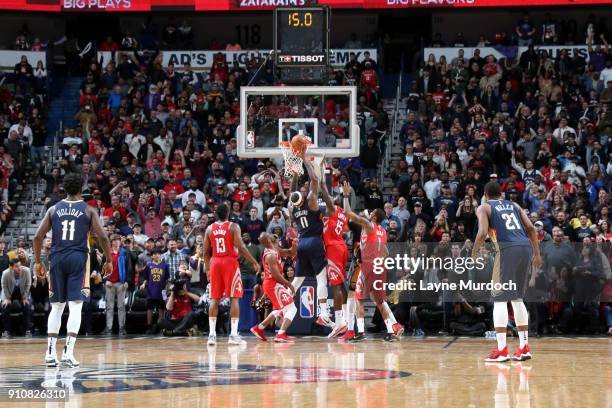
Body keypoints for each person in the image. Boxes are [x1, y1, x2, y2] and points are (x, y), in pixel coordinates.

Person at [33, 172, 113, 368]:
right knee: (76, 305)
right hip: (78, 258)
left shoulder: (53, 209)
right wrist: (108, 259)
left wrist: (37, 262)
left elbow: (37, 237)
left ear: (64, 189)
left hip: (57, 258)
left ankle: (50, 354)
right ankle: (68, 353)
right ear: (81, 190)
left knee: (57, 306)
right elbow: (102, 237)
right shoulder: (89, 210)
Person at [472, 181, 541, 362]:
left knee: (499, 299)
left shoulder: (484, 207)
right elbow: (532, 228)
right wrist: (537, 255)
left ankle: (502, 349)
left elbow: (482, 233)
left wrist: (473, 253)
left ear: (485, 194)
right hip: (525, 248)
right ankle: (524, 347)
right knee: (517, 298)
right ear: (501, 194)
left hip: (507, 250)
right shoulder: (514, 205)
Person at [341, 182, 404, 342]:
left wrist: (346, 194)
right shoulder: (382, 231)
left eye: (372, 212)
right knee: (378, 301)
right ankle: (391, 330)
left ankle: (360, 332)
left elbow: (348, 212)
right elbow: (386, 251)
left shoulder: (368, 225)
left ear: (374, 217)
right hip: (379, 267)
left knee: (358, 298)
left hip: (368, 266)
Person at [203, 202, 260, 346]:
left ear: (216, 214)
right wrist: (254, 261)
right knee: (234, 298)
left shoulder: (209, 229)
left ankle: (211, 335)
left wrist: (207, 269)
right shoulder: (233, 226)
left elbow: (205, 252)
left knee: (214, 299)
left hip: (215, 262)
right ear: (228, 213)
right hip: (229, 262)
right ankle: (233, 335)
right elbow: (240, 246)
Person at [288, 157, 332, 327]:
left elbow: (292, 193)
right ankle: (323, 313)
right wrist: (305, 160)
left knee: (297, 281)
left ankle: (281, 306)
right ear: (303, 196)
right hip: (314, 242)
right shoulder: (312, 202)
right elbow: (314, 179)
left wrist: (294, 174)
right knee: (322, 280)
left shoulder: (292, 208)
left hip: (301, 243)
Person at [250, 232, 297, 342]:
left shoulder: (275, 248)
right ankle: (281, 334)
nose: (272, 234)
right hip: (272, 283)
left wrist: (294, 244)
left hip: (273, 283)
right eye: (269, 234)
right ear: (269, 240)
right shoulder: (270, 255)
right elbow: (276, 275)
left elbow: (290, 252)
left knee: (280, 308)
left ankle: (259, 328)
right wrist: (289, 284)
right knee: (292, 308)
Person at [319, 167, 350, 338]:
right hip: (342, 246)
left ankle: (339, 322)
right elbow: (346, 217)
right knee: (341, 285)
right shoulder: (342, 214)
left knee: (335, 286)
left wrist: (322, 178)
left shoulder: (332, 210)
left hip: (334, 249)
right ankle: (343, 318)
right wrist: (345, 196)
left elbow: (325, 194)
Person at [139, 249, 170, 334]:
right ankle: (149, 327)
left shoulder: (165, 266)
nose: (156, 255)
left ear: (160, 255)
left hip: (161, 290)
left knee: (161, 310)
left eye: (158, 254)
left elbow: (167, 279)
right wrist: (143, 284)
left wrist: (168, 288)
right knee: (150, 309)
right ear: (152, 256)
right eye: (155, 254)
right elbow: (146, 278)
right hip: (151, 290)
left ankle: (161, 327)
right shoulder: (149, 266)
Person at [1, 259, 32, 338]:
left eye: (20, 265)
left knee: (27, 306)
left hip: (22, 293)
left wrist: (24, 297)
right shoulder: (5, 273)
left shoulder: (27, 271)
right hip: (9, 293)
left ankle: (27, 331)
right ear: (11, 267)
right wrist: (7, 298)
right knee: (5, 307)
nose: (19, 268)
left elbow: (28, 284)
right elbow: (4, 286)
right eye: (16, 266)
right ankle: (6, 331)